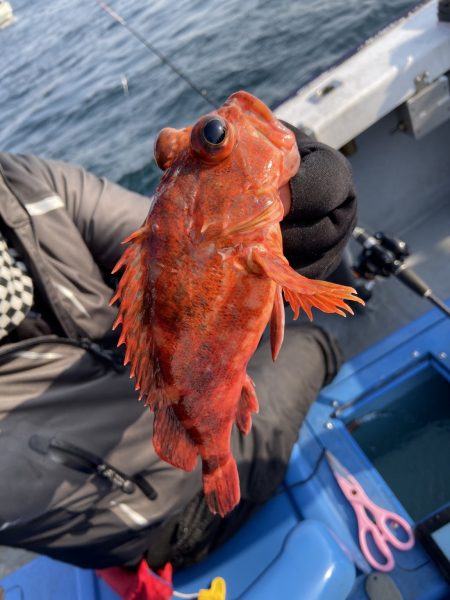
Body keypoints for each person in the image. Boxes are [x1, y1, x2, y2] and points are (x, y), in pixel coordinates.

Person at [0, 124, 357, 577]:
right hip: (160, 524)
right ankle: (222, 465)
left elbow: (171, 237)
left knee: (300, 323)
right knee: (319, 339)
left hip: (185, 394)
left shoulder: (19, 186)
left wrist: (296, 218)